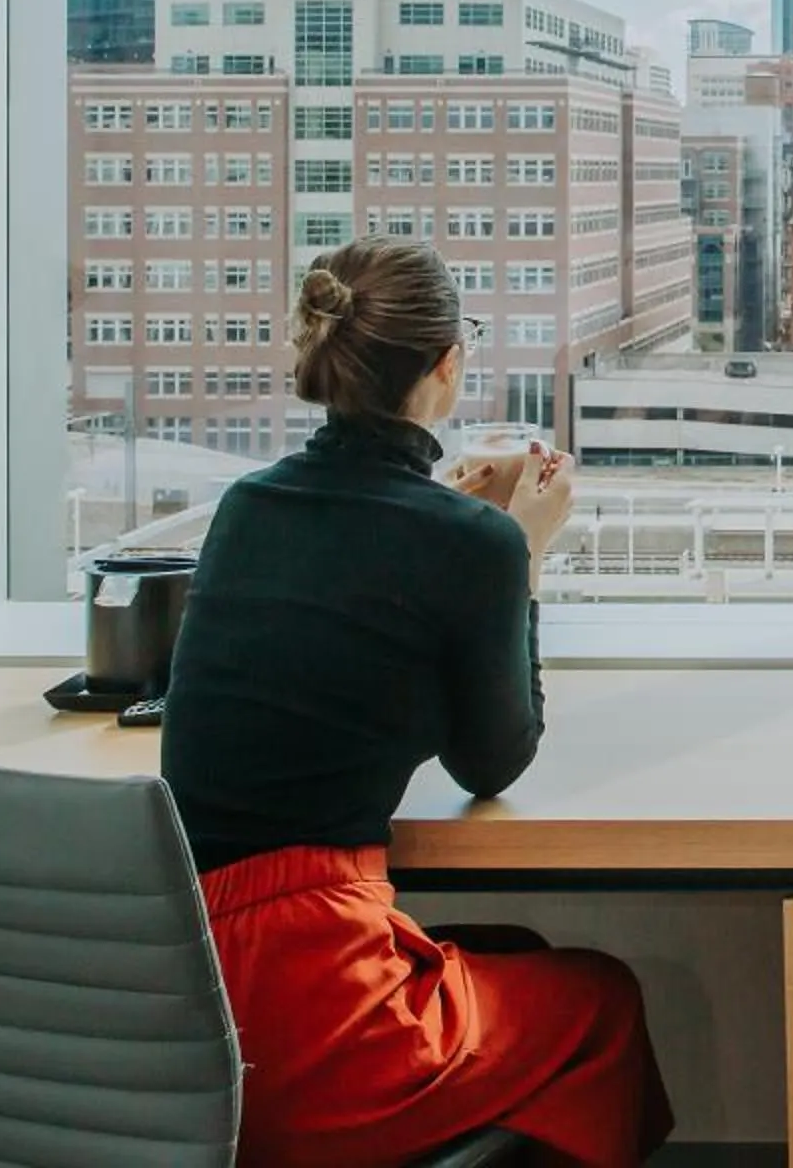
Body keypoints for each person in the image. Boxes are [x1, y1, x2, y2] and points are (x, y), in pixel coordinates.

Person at [160, 237, 673, 1168]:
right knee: (601, 999)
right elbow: (492, 762)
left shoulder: (245, 507)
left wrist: (465, 530)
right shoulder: (471, 545)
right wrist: (521, 557)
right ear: (447, 362)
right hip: (315, 1007)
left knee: (510, 944)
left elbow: (352, 575)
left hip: (188, 999)